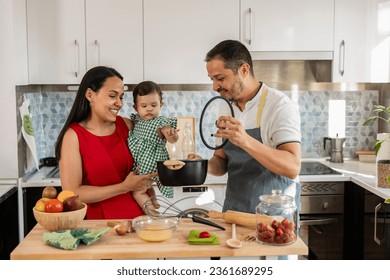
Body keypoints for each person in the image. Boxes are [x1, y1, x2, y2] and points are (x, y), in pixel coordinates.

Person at [193, 39, 301, 215]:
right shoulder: (225, 105)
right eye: (212, 79)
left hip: (273, 219)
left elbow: (292, 167)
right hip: (235, 214)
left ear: (243, 70)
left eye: (220, 78)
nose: (215, 87)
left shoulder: (279, 105)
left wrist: (244, 140)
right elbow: (221, 161)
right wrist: (200, 166)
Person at [55, 66, 157, 219]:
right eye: (112, 96)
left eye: (121, 97)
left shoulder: (127, 126)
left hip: (141, 221)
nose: (119, 103)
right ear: (90, 95)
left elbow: (153, 149)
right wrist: (123, 187)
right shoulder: (73, 136)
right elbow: (72, 193)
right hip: (101, 226)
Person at [128, 81, 179, 210]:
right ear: (136, 107)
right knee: (148, 185)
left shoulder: (161, 122)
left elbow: (171, 137)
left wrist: (171, 134)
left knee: (137, 191)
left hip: (149, 160)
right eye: (144, 106)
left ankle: (152, 213)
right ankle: (154, 201)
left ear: (161, 105)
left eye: (154, 105)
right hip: (143, 160)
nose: (149, 108)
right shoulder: (137, 120)